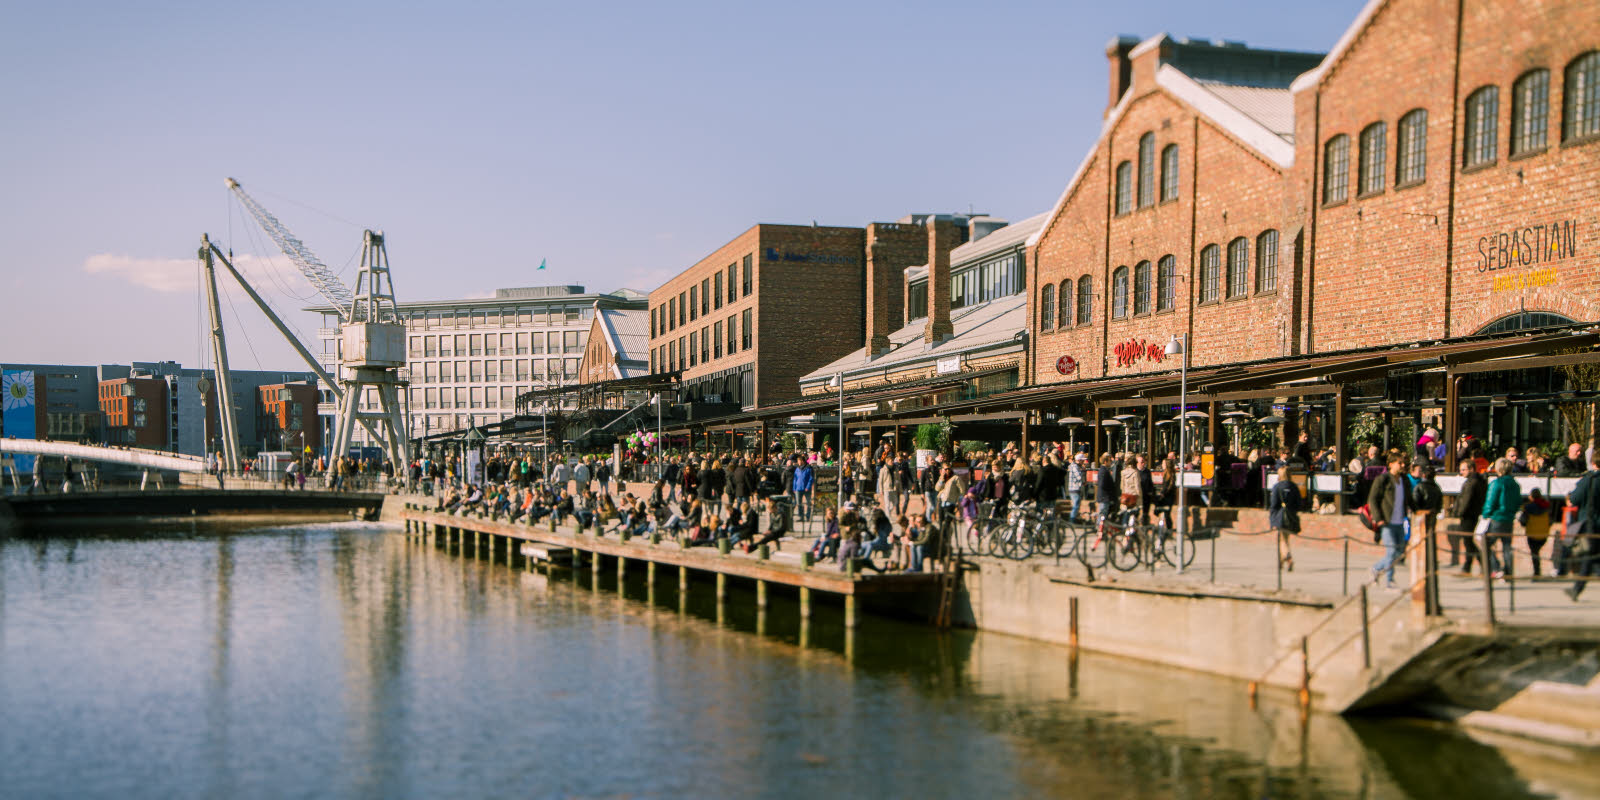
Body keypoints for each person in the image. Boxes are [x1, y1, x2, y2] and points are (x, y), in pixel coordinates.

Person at [1368, 455, 1413, 589]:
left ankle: (1376, 568)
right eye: (1400, 463)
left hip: (1400, 521)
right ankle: (1390, 581)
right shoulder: (1383, 479)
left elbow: (1409, 499)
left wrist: (1417, 509)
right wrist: (1378, 518)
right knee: (1391, 552)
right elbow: (1373, 499)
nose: (1403, 465)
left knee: (1399, 552)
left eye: (1403, 463)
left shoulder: (1404, 480)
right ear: (1391, 464)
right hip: (1387, 521)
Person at [1562, 452, 1600, 601]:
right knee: (1594, 557)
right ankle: (1577, 589)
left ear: (1593, 463)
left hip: (1590, 522)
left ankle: (1577, 589)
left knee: (1589, 557)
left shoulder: (1588, 480)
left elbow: (1575, 499)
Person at [1480, 458, 1522, 580]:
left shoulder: (1496, 483)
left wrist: (1485, 514)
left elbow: (1490, 502)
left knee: (1486, 544)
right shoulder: (1515, 484)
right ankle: (1508, 572)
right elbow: (1518, 501)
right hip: (1509, 518)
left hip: (1497, 517)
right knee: (1507, 546)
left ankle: (1496, 568)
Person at [1449, 459, 1487, 574]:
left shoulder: (1472, 482)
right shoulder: (1477, 481)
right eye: (1461, 470)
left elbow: (1466, 499)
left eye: (1464, 469)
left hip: (1468, 515)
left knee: (1468, 541)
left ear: (1471, 469)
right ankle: (1469, 565)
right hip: (1473, 513)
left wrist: (1458, 512)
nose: (1462, 472)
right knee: (1468, 541)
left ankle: (1479, 564)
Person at [1268, 465, 1301, 572]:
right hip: (1291, 515)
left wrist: (1272, 520)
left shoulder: (1277, 487)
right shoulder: (1294, 486)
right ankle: (1281, 562)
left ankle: (1288, 557)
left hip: (1279, 516)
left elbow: (1273, 504)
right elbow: (1299, 503)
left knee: (1282, 539)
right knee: (1285, 538)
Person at [1519, 488, 1551, 577]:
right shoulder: (1547, 506)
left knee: (1534, 552)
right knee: (1536, 552)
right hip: (1544, 533)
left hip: (1532, 533)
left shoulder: (1527, 507)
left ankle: (1537, 572)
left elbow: (1523, 521)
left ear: (1531, 497)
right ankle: (1537, 571)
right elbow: (1550, 521)